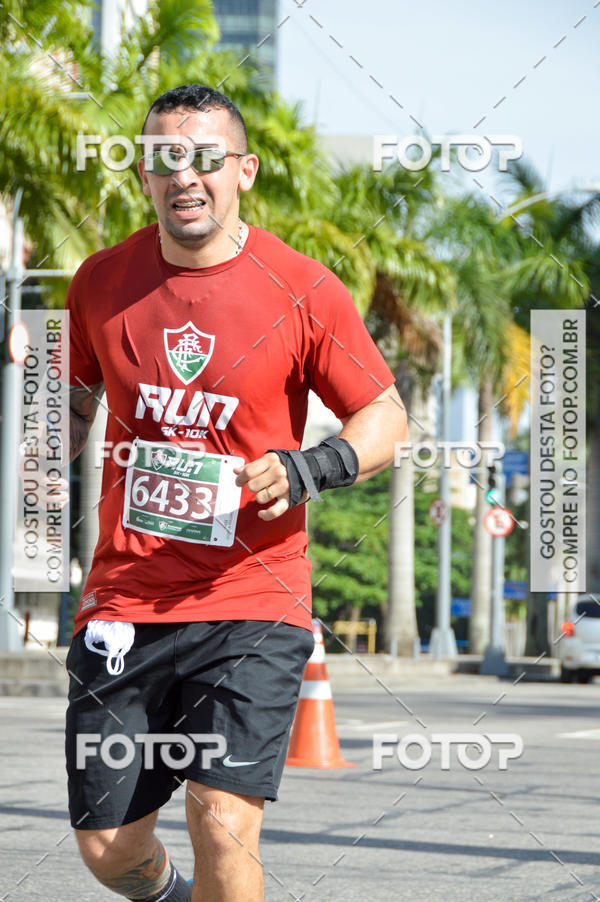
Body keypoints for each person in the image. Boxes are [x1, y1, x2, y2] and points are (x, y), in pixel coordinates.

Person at [65, 83, 407, 902]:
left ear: (244, 170)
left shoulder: (302, 288)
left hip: (252, 596)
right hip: (127, 599)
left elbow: (384, 416)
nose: (186, 176)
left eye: (206, 158)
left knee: (222, 813)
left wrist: (306, 468)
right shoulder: (99, 283)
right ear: (145, 176)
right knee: (109, 850)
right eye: (165, 160)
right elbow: (69, 404)